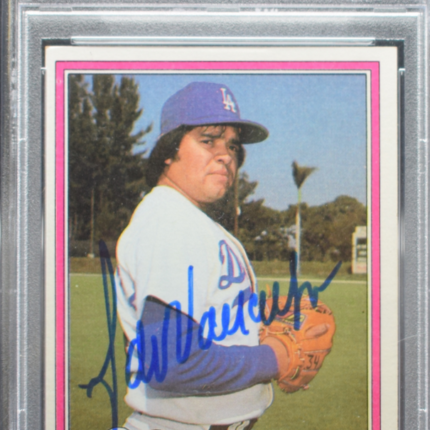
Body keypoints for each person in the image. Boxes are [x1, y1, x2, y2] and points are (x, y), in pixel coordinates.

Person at [115, 82, 286, 430]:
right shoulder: (169, 218)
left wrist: (257, 323)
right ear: (169, 151)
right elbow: (172, 363)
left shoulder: (192, 221)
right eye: (209, 140)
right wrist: (275, 358)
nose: (226, 155)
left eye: (232, 145)